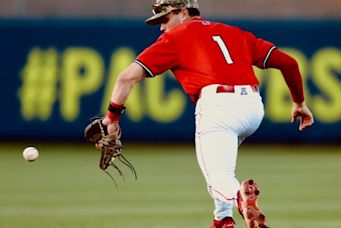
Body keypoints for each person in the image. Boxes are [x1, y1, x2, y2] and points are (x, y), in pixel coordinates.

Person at [101, 0, 314, 227]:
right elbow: (289, 63)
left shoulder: (174, 38)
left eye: (165, 19)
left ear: (183, 13)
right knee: (222, 167)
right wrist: (299, 102)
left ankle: (241, 199)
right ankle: (222, 219)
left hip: (218, 106)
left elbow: (125, 78)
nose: (161, 27)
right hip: (253, 107)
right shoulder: (235, 32)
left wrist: (111, 119)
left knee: (217, 178)